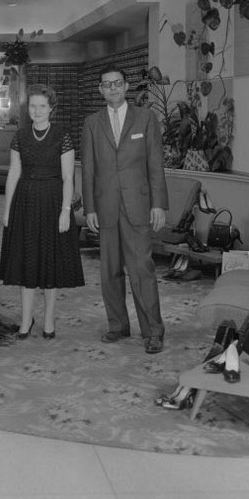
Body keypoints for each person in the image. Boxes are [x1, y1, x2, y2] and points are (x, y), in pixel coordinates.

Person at [80, 67, 169, 354]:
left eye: (117, 83)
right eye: (107, 85)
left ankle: (153, 331)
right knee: (109, 272)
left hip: (138, 206)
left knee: (142, 270)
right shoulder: (92, 123)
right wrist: (89, 207)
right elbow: (89, 169)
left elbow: (155, 165)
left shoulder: (145, 118)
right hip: (105, 207)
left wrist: (158, 204)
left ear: (126, 86)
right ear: (100, 90)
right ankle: (117, 325)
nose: (113, 88)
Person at [0, 84, 84, 338]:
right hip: (24, 202)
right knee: (27, 263)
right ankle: (26, 321)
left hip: (53, 202)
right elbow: (14, 173)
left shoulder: (62, 136)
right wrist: (6, 209)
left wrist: (65, 211)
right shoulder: (20, 136)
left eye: (42, 106)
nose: (36, 110)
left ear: (51, 109)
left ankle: (48, 321)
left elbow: (68, 178)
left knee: (50, 264)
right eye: (33, 106)